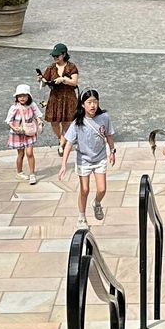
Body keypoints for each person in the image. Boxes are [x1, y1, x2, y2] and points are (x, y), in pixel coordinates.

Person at [57, 89, 116, 229]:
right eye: (89, 102)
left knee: (102, 189)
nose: (92, 105)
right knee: (84, 189)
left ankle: (96, 203)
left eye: (95, 102)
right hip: (84, 159)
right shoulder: (77, 123)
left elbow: (109, 135)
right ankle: (82, 217)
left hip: (100, 157)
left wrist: (112, 151)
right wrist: (63, 164)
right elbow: (69, 144)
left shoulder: (104, 118)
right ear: (83, 104)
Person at [39, 44, 80, 151]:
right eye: (54, 56)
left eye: (57, 56)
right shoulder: (51, 68)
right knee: (54, 121)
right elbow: (44, 81)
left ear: (64, 55)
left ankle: (63, 143)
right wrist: (42, 80)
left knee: (66, 121)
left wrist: (63, 79)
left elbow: (74, 82)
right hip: (55, 97)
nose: (55, 58)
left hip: (68, 97)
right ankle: (61, 138)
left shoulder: (71, 67)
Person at [6, 84, 42, 184]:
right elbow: (9, 120)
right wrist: (14, 128)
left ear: (28, 96)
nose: (22, 98)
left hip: (29, 132)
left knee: (29, 153)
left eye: (24, 95)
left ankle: (32, 174)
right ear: (17, 97)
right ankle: (19, 172)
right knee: (20, 154)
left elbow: (37, 114)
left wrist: (39, 121)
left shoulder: (32, 105)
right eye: (19, 96)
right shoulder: (14, 108)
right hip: (18, 133)